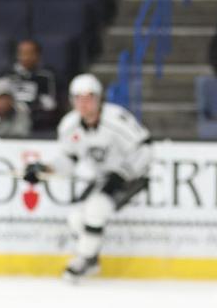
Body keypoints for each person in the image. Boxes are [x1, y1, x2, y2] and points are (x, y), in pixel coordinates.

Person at [23, 74, 151, 281]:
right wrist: (44, 169)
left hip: (132, 176)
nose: (84, 103)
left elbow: (145, 149)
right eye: (79, 98)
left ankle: (83, 260)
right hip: (102, 178)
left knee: (96, 210)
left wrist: (125, 173)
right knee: (75, 219)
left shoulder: (116, 119)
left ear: (99, 98)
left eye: (89, 97)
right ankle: (91, 259)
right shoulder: (69, 126)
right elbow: (68, 160)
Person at [4, 39, 60, 132]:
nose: (26, 57)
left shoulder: (45, 75)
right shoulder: (7, 74)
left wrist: (33, 104)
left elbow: (50, 105)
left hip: (37, 125)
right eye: (23, 53)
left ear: (38, 55)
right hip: (9, 122)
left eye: (30, 53)